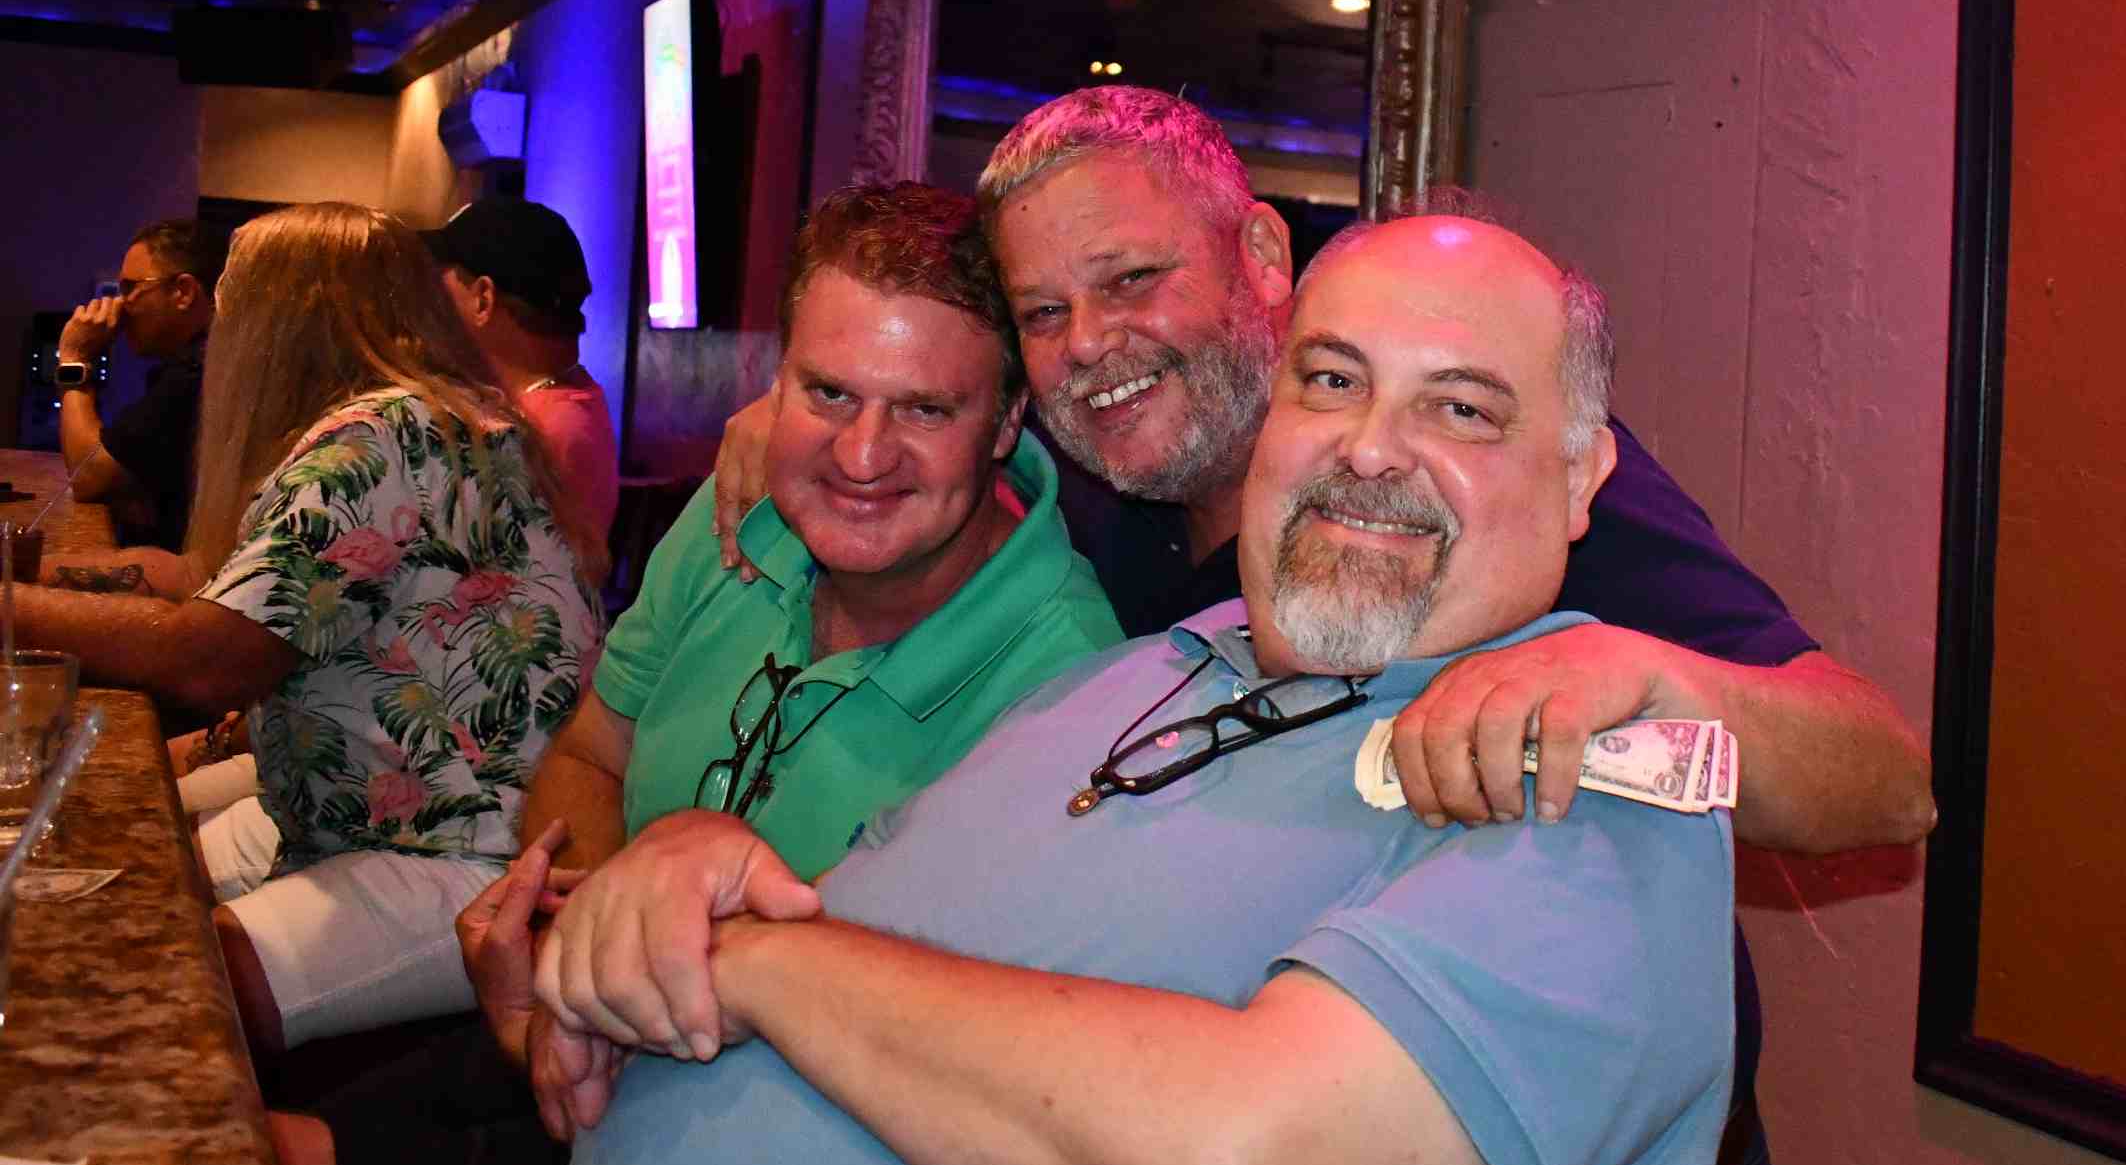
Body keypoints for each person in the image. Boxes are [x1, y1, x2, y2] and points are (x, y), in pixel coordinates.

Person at [539, 210, 1739, 1165]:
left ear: (1578, 478)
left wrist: (748, 960)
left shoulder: (1584, 788)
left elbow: (1264, 1151)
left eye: (1460, 407)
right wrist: (693, 867)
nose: (1370, 447)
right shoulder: (1137, 667)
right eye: (1330, 379)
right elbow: (886, 928)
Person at [716, 86, 1932, 854]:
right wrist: (799, 419)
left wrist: (1633, 671)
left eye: (1132, 280)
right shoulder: (1092, 473)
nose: (1086, 345)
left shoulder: (1466, 471)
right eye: (1044, 312)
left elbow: (1882, 779)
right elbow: (923, 416)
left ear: (1259, 251)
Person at [270, 183, 1122, 1165]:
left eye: (925, 408)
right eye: (828, 392)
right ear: (774, 386)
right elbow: (593, 754)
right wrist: (573, 960)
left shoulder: (1066, 682)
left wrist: (575, 999)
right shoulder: (739, 516)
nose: (861, 455)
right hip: (588, 1040)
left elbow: (930, 1048)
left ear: (1006, 420)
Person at [9, 203, 606, 1058]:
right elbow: (222, 588)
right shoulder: (431, 416)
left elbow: (212, 657)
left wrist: (14, 607)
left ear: (280, 323)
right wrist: (40, 583)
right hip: (389, 817)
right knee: (116, 879)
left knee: (165, 971)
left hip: (473, 855)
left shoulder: (379, 438)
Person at [425, 197, 621, 550]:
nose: (433, 302)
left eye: (442, 281)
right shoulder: (563, 403)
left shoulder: (540, 433)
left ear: (483, 299)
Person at [54, 218, 225, 552]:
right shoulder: (205, 359)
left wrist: (74, 358)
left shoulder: (197, 371)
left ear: (183, 292)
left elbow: (89, 476)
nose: (119, 304)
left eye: (130, 288)